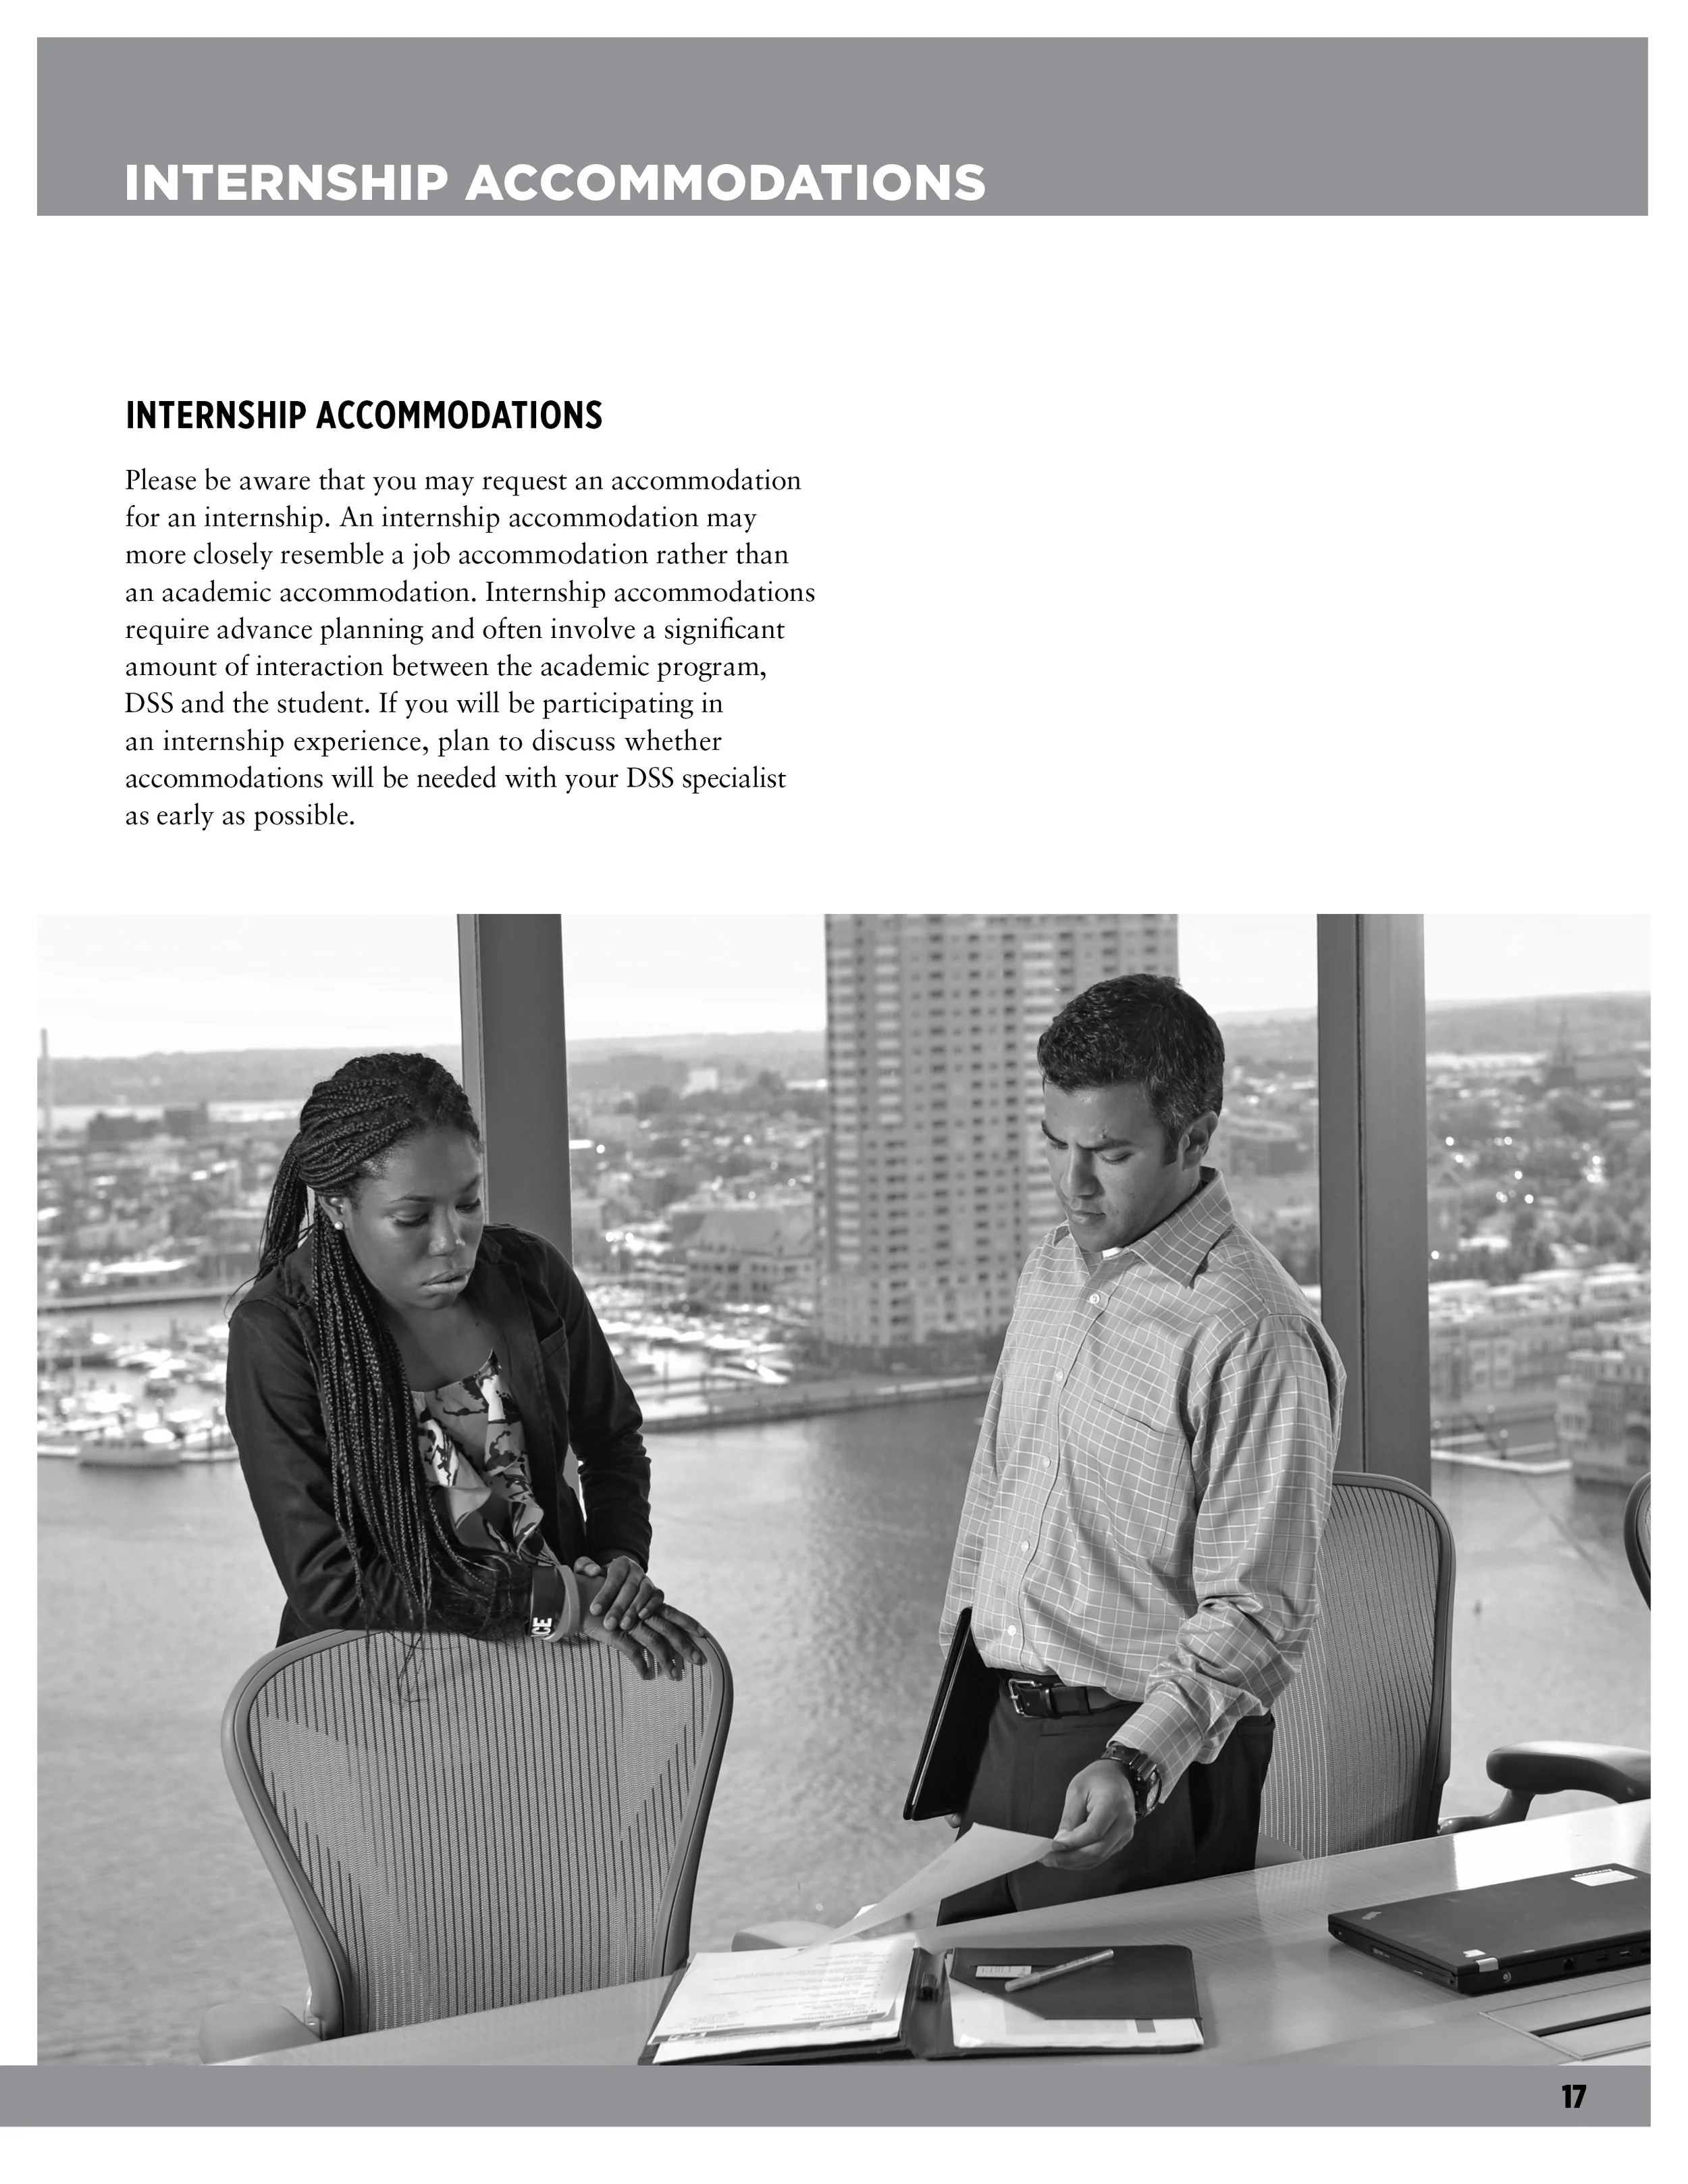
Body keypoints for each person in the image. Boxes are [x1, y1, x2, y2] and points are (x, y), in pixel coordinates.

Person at [937, 974, 1344, 1919]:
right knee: (958, 2002)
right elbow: (994, 1502)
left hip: (1144, 1766)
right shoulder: (1051, 1269)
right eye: (1057, 1144)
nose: (1073, 1182)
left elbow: (1262, 1610)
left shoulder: (1252, 1329)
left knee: (1112, 2013)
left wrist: (1135, 1760)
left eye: (1111, 1153)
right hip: (1002, 1738)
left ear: (1194, 1138)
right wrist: (959, 1726)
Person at [226, 1050, 701, 1679]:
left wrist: (616, 1569)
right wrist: (554, 1604)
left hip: (559, 1674)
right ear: (338, 1205)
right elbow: (332, 1584)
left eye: (469, 1203)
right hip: (372, 1692)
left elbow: (612, 1440)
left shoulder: (532, 1276)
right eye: (412, 1217)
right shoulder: (279, 1331)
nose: (451, 1240)